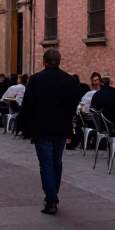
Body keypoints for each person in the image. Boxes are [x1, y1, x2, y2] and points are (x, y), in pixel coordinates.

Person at [17, 48, 80, 215]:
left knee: (46, 164)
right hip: (61, 128)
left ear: (44, 61)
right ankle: (53, 195)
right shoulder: (68, 80)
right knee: (57, 162)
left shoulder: (36, 79)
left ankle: (51, 200)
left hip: (42, 128)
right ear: (59, 61)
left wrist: (22, 126)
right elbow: (74, 104)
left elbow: (28, 105)